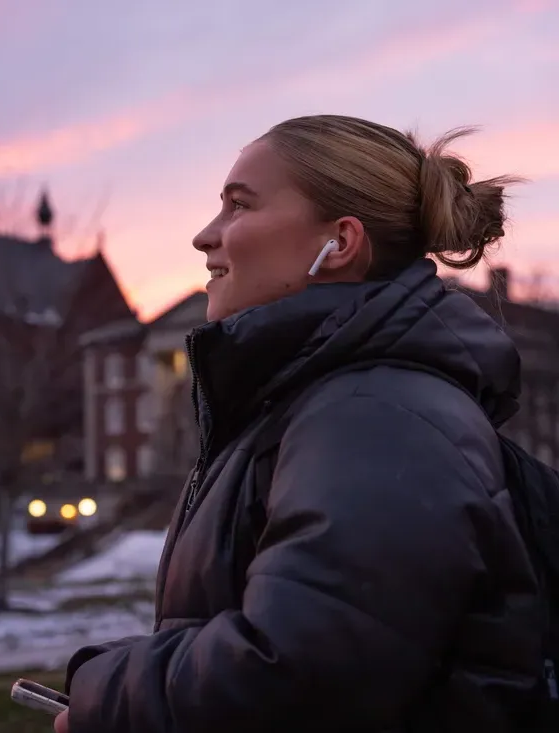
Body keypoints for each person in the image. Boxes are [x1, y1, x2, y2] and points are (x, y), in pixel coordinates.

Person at [55, 115, 543, 733]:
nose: (205, 237)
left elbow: (300, 673)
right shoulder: (319, 405)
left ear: (338, 243)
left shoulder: (375, 415)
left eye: (239, 206)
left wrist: (107, 694)